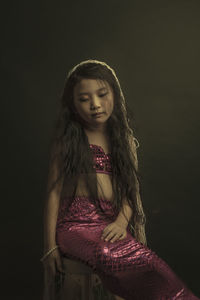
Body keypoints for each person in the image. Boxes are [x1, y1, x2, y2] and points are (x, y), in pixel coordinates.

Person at [41, 59, 199, 300]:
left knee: (152, 264)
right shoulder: (67, 141)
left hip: (110, 222)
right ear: (72, 105)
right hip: (75, 224)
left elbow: (129, 191)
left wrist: (120, 221)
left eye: (102, 94)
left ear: (114, 93)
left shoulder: (124, 141)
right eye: (84, 99)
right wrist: (49, 246)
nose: (95, 104)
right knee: (106, 254)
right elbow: (53, 192)